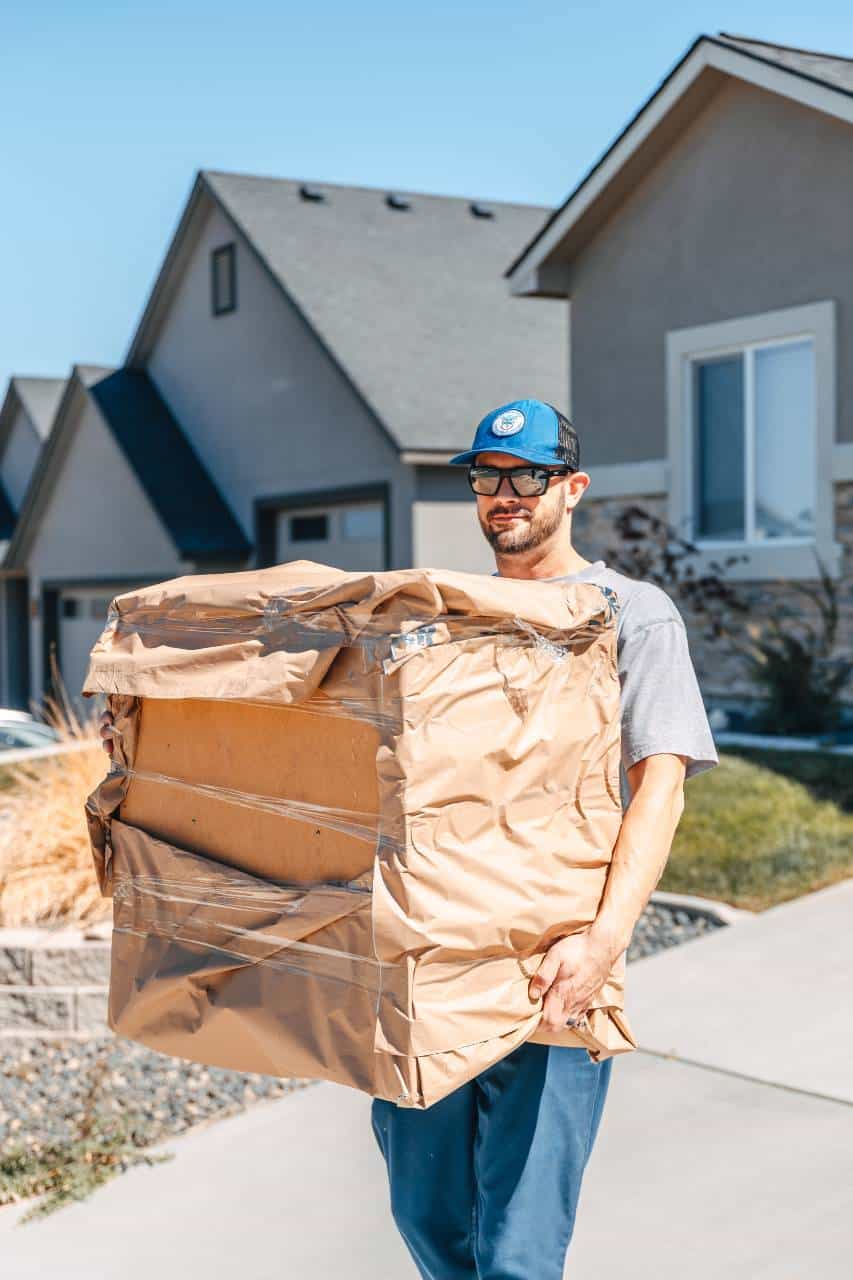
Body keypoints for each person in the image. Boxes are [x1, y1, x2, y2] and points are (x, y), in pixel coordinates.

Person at [100, 397, 719, 1280]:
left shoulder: (628, 611)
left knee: (516, 1253)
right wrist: (152, 735)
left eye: (527, 477)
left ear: (570, 488)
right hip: (419, 973)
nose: (504, 495)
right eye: (487, 478)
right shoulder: (441, 618)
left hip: (550, 977)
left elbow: (657, 785)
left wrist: (603, 941)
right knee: (429, 1225)